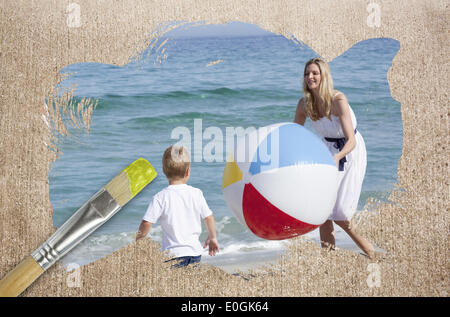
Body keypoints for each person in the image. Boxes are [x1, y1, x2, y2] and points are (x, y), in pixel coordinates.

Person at [294, 57, 375, 259]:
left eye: (314, 73)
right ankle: (328, 261)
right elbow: (294, 134)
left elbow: (351, 141)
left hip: (350, 152)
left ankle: (372, 254)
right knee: (322, 211)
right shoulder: (304, 104)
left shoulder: (338, 100)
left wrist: (336, 157)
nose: (309, 77)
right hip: (328, 152)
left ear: (323, 76)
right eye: (307, 73)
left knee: (340, 214)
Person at [135, 145, 220, 267]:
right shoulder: (196, 193)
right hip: (194, 253)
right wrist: (212, 238)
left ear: (164, 171)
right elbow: (208, 217)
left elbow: (146, 223)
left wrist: (139, 242)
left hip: (172, 255)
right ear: (188, 171)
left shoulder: (160, 197)